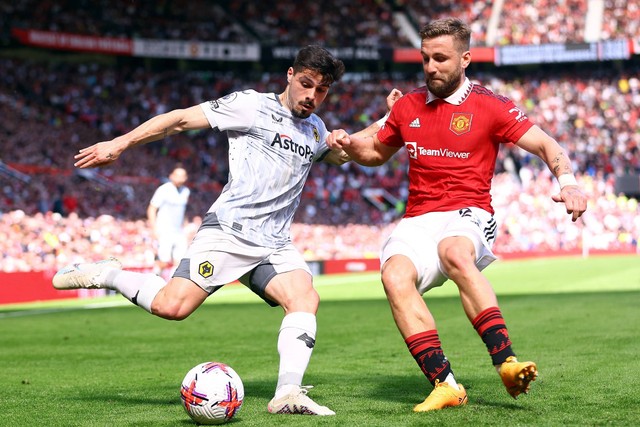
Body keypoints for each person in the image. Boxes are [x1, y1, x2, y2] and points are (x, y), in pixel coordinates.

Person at [53, 45, 371, 416]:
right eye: (306, 84)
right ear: (289, 75)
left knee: (304, 299)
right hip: (229, 233)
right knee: (171, 307)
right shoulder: (250, 106)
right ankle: (107, 273)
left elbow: (344, 151)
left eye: (322, 90)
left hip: (274, 243)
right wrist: (121, 143)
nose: (312, 96)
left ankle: (287, 394)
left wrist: (382, 123)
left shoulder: (315, 129)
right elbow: (179, 120)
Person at [327, 18, 588, 412]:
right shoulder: (408, 106)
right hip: (419, 217)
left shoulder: (491, 106)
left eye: (441, 58)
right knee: (394, 275)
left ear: (465, 59)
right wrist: (350, 143)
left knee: (453, 251)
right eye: (425, 58)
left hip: (469, 211)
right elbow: (376, 154)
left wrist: (568, 182)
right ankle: (445, 384)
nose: (431, 67)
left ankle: (506, 362)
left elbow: (546, 144)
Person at [147, 165, 190, 279]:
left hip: (178, 231)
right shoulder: (164, 189)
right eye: (177, 175)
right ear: (171, 176)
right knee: (164, 261)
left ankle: (171, 287)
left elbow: (182, 211)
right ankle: (151, 280)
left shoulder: (186, 191)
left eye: (183, 175)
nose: (180, 178)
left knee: (180, 262)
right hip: (164, 230)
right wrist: (154, 228)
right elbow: (152, 209)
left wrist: (185, 227)